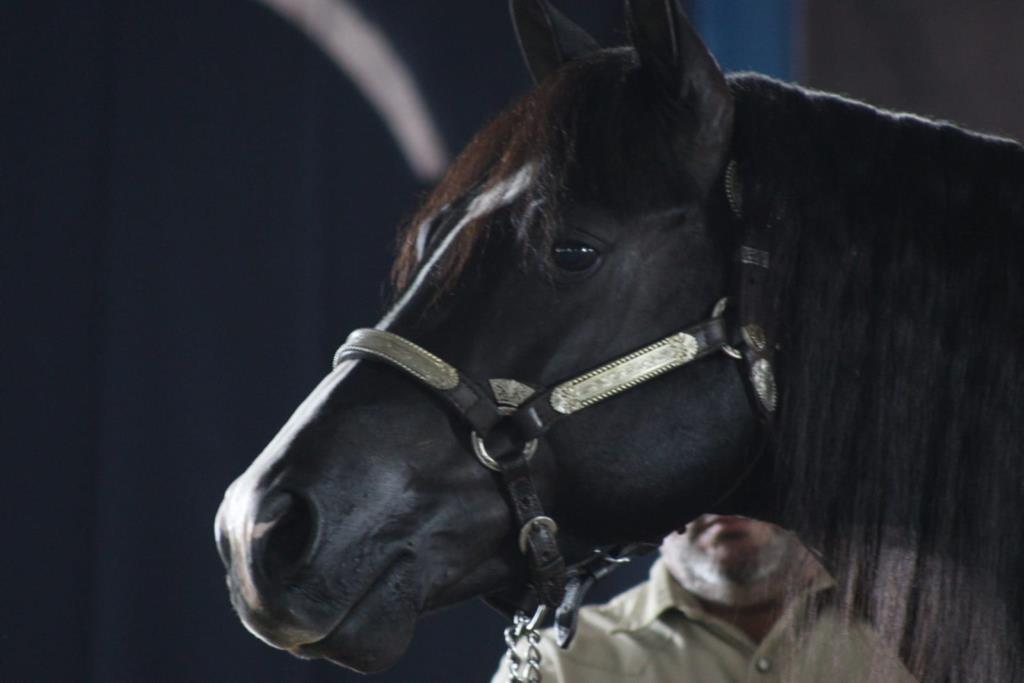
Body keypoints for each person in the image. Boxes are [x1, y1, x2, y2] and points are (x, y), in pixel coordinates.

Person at [491, 515, 915, 682]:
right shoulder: (554, 667)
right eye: (697, 484)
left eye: (744, 478)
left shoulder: (921, 636)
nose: (721, 504)